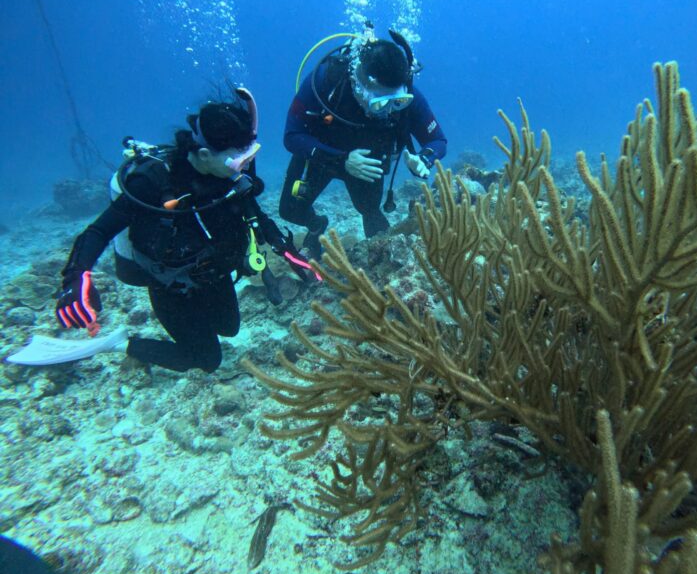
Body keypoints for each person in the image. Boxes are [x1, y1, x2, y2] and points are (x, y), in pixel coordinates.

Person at [54, 88, 311, 373]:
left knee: (229, 328)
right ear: (203, 154)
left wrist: (286, 249)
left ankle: (196, 326)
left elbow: (254, 213)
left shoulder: (230, 175)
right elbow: (98, 231)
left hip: (212, 270)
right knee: (206, 360)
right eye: (240, 160)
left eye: (251, 154)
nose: (246, 166)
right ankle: (118, 344)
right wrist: (75, 276)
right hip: (171, 284)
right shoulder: (151, 184)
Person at [280, 29, 447, 259]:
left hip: (367, 166)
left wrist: (424, 158)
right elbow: (292, 135)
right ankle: (317, 226)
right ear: (360, 84)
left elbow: (438, 140)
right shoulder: (326, 80)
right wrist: (341, 159)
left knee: (370, 212)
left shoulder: (407, 91)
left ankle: (383, 264)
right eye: (379, 104)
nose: (387, 111)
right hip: (321, 156)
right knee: (290, 211)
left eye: (396, 102)